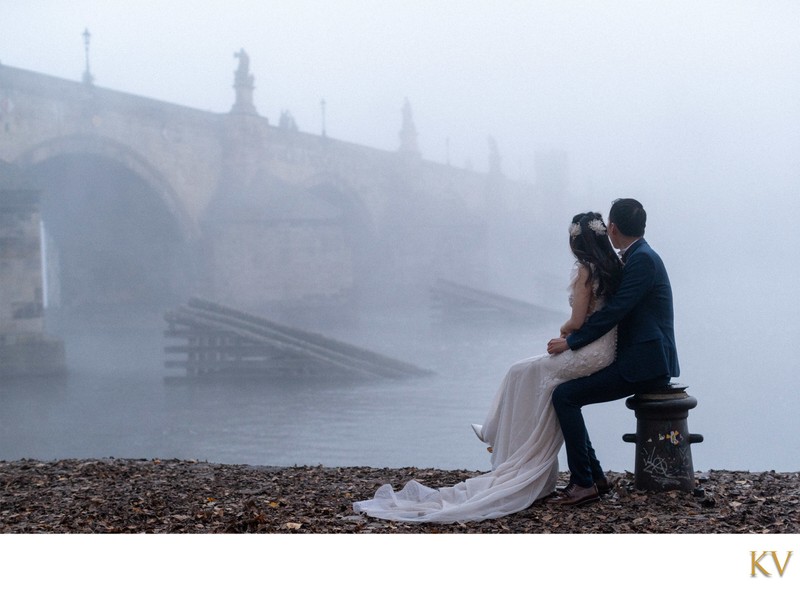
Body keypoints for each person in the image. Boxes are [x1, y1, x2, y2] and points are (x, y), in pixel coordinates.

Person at [352, 212, 622, 523]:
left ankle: (499, 436)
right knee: (524, 372)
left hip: (588, 351)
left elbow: (576, 322)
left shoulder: (586, 270)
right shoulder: (612, 268)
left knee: (527, 375)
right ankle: (567, 464)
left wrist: (564, 331)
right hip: (603, 351)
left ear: (577, 241)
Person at [547, 198, 679, 506]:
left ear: (614, 228)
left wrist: (572, 341)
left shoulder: (642, 260)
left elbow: (617, 310)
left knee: (565, 397)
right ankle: (596, 478)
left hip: (645, 364)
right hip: (640, 359)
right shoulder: (637, 257)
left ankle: (584, 482)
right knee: (567, 394)